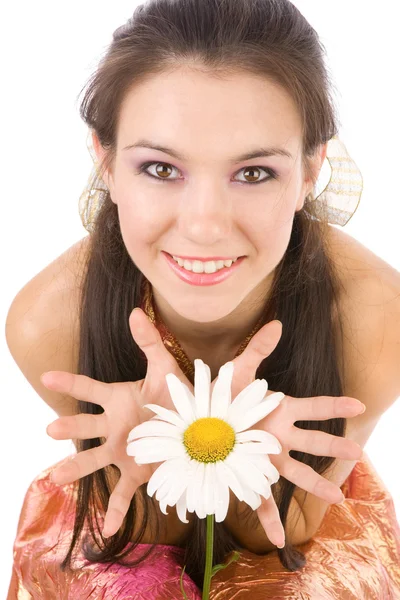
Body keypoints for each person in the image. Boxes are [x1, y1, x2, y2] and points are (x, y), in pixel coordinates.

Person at [5, 0, 400, 598]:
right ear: (106, 163)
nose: (205, 226)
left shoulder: (374, 318)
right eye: (161, 169)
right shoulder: (47, 323)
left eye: (254, 173)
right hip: (129, 528)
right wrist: (149, 458)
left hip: (296, 530)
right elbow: (149, 542)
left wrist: (251, 457)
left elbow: (278, 540)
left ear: (311, 168)